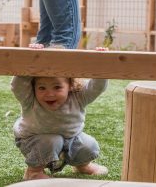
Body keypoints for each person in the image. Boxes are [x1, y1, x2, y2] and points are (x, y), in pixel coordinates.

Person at [11, 44, 109, 180]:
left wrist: (100, 62)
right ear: (33, 87)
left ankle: (82, 165)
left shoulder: (78, 97)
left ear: (70, 85)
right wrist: (32, 59)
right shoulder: (30, 99)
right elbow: (18, 86)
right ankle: (33, 171)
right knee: (52, 140)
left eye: (57, 87)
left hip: (69, 140)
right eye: (42, 88)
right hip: (33, 141)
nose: (49, 94)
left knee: (89, 144)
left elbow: (96, 87)